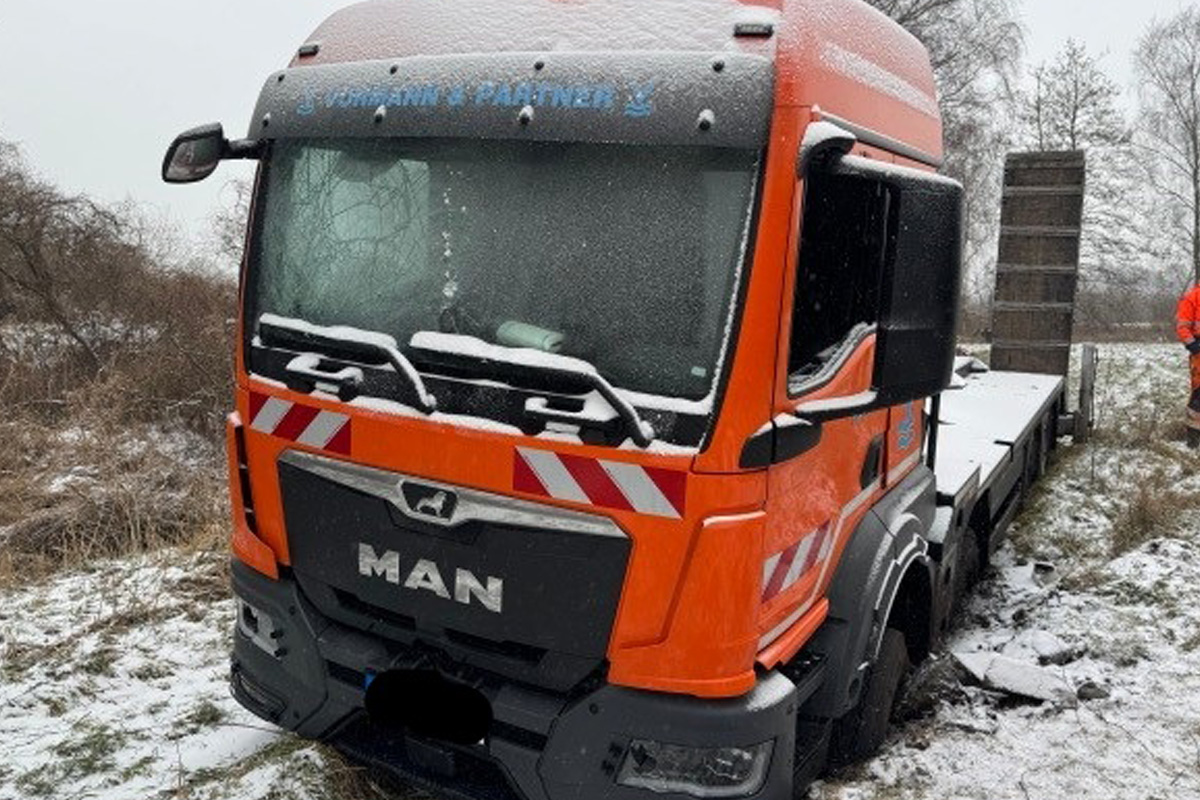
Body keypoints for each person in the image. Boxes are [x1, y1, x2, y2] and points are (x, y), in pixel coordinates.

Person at [1176, 282, 1200, 448]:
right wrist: (1194, 346)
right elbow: (1182, 327)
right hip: (1199, 351)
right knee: (1199, 393)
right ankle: (1194, 439)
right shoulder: (1193, 297)